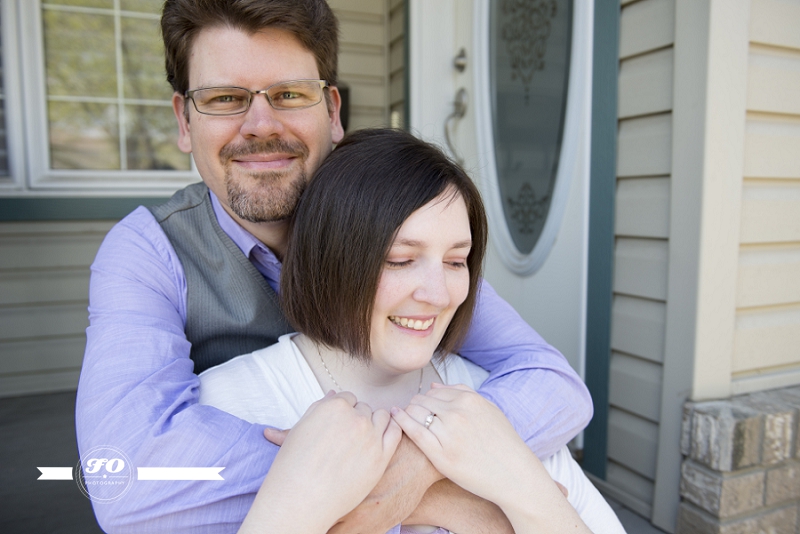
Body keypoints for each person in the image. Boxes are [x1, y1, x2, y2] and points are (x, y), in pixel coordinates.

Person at [75, 1, 592, 532]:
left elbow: (552, 383)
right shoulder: (147, 250)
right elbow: (122, 479)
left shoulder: (390, 218)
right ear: (184, 121)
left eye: (290, 94)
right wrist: (428, 492)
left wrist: (414, 471)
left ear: (332, 111)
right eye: (225, 98)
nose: (260, 125)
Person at [198, 128, 624, 534]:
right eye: (400, 260)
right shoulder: (224, 404)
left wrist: (520, 487)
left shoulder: (493, 403)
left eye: (456, 262)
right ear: (329, 260)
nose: (439, 294)